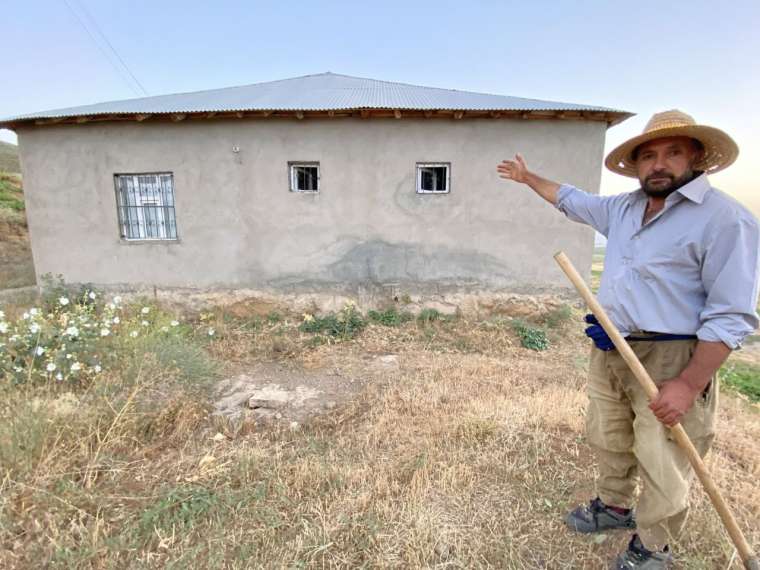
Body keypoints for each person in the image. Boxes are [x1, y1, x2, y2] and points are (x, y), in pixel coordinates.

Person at [496, 110, 760, 569]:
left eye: (673, 153)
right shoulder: (623, 208)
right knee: (609, 435)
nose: (659, 164)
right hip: (612, 347)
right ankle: (615, 506)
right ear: (637, 164)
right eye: (649, 156)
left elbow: (731, 314)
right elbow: (570, 199)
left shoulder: (725, 220)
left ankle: (654, 546)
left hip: (673, 356)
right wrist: (525, 178)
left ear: (697, 158)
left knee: (664, 455)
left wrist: (689, 383)